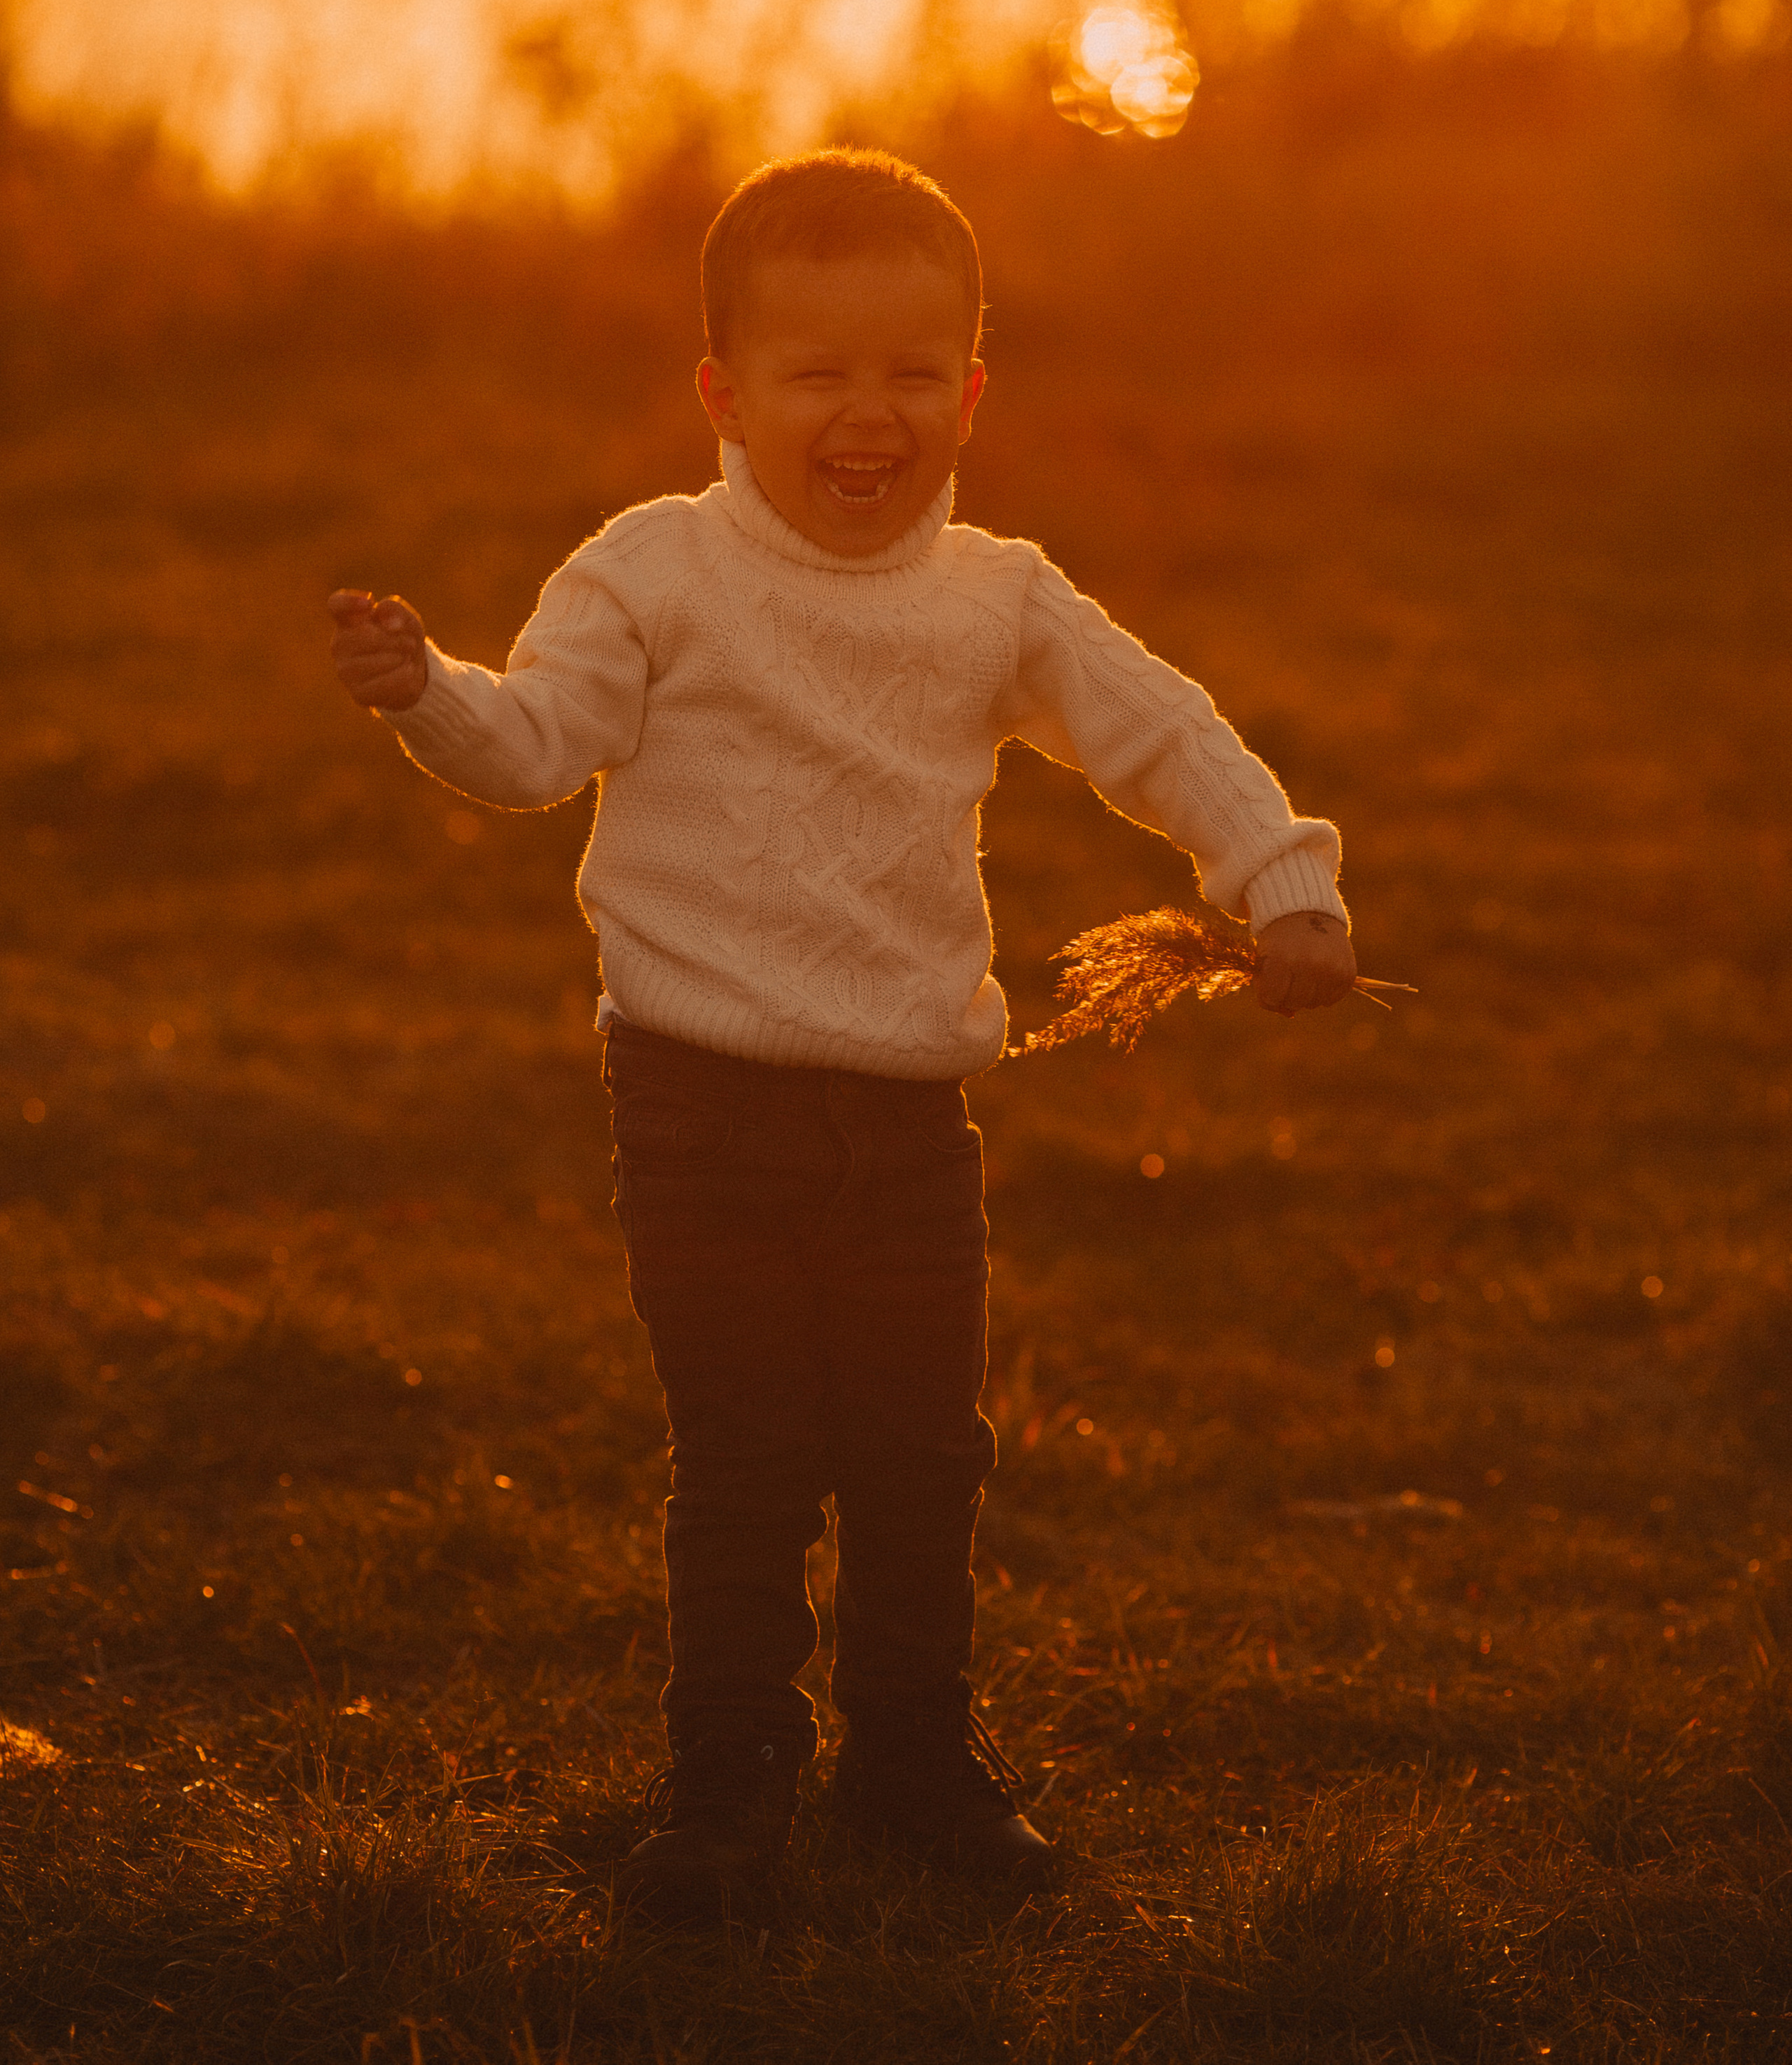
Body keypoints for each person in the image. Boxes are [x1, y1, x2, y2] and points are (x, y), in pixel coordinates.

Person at [327, 147, 1356, 1920]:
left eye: (908, 375)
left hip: (903, 1120)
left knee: (914, 1453)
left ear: (966, 392)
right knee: (740, 1458)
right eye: (817, 375)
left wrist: (1279, 879)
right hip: (695, 1101)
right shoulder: (650, 574)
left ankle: (912, 1764)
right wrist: (432, 693)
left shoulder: (994, 595)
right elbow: (529, 750)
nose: (864, 413)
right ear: (725, 394)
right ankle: (724, 1782)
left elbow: (1159, 729)